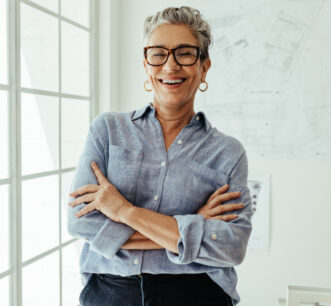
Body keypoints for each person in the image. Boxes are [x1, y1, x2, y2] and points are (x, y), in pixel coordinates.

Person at [67, 6, 253, 306]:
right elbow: (82, 224)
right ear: (146, 64)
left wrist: (124, 211)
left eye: (185, 53)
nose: (170, 66)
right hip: (110, 292)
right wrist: (193, 226)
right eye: (158, 53)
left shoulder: (227, 153)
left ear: (204, 67)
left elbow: (232, 247)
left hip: (196, 293)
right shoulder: (107, 131)